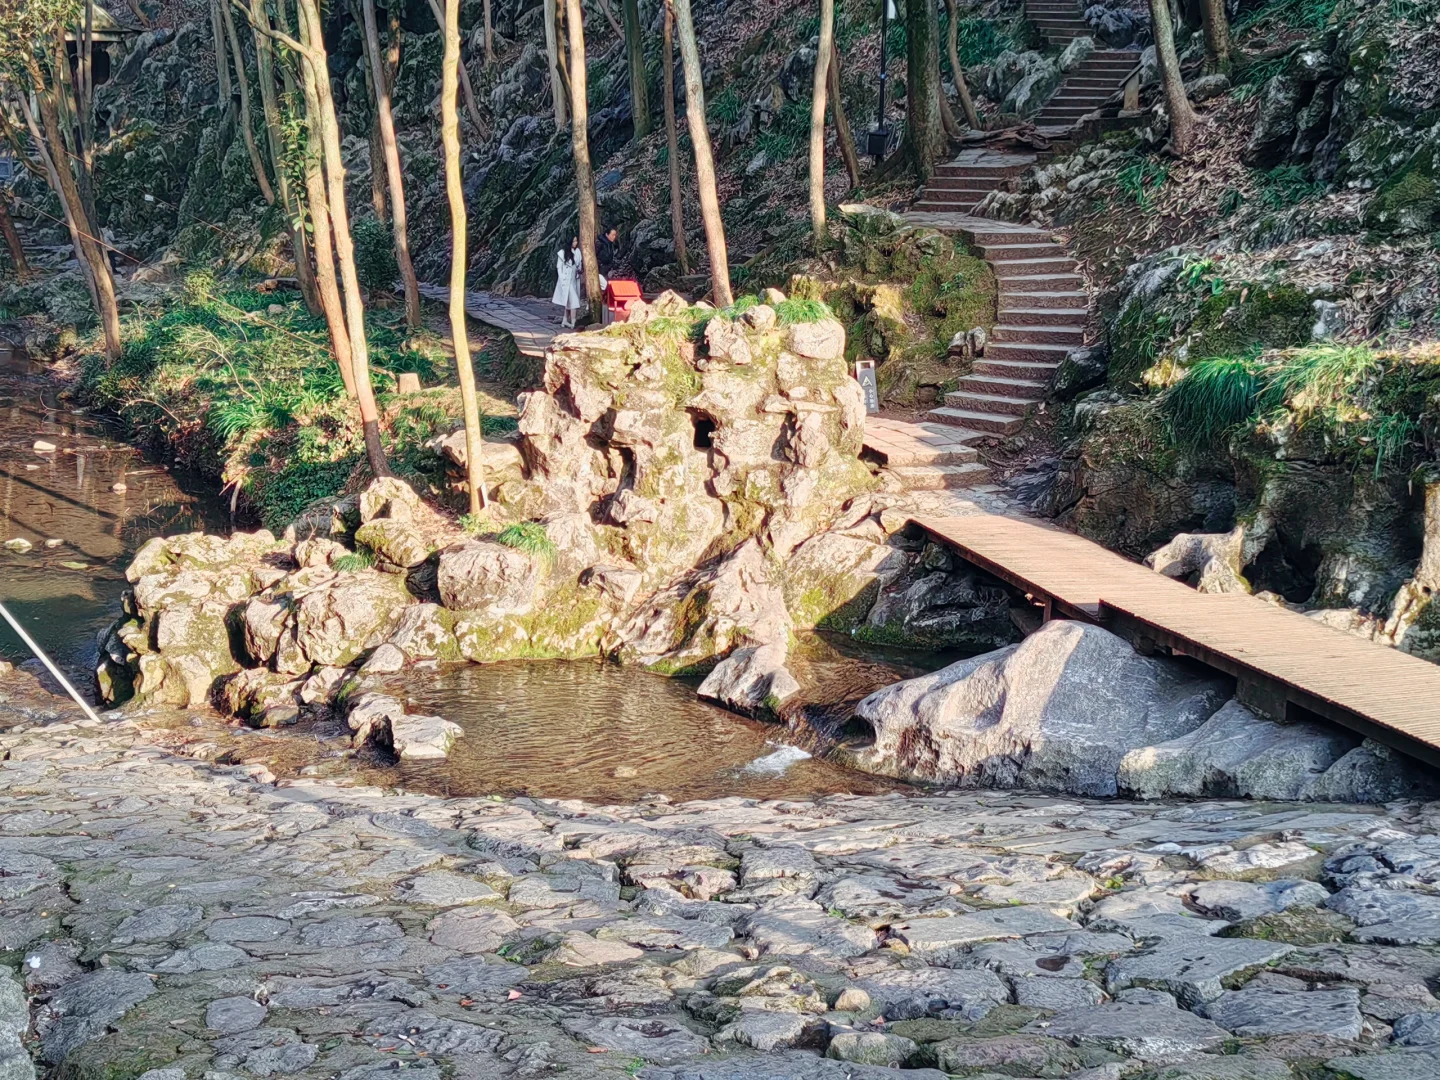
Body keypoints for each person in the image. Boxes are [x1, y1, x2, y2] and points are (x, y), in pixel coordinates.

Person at [551, 239, 582, 328]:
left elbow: (579, 264)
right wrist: (562, 278)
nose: (575, 243)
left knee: (569, 301)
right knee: (574, 301)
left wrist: (579, 271)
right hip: (566, 280)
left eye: (576, 241)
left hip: (574, 279)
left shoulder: (578, 251)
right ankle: (573, 322)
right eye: (573, 241)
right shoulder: (562, 252)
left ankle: (565, 320)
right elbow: (559, 267)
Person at [596, 225, 618, 292]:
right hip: (600, 267)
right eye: (612, 235)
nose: (614, 237)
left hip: (608, 267)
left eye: (615, 235)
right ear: (607, 234)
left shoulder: (610, 243)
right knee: (605, 286)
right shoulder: (600, 243)